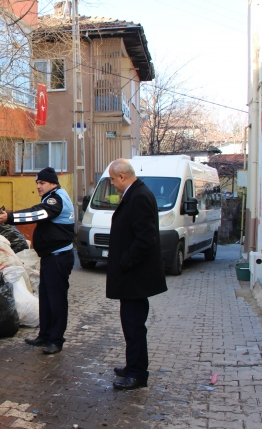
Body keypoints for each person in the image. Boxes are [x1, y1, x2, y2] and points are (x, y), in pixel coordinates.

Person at [0, 167, 75, 355]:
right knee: (45, 299)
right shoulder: (53, 196)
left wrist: (10, 217)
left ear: (53, 183)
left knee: (56, 301)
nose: (38, 186)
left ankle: (56, 340)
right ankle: (45, 335)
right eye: (37, 182)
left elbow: (38, 213)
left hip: (58, 259)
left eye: (42, 183)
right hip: (49, 258)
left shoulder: (56, 199)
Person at [106, 158, 167, 390]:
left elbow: (145, 238)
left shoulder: (139, 196)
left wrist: (125, 262)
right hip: (131, 277)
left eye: (112, 179)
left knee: (134, 326)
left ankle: (138, 374)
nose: (112, 184)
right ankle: (133, 366)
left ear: (122, 176)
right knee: (130, 324)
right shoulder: (135, 193)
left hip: (135, 277)